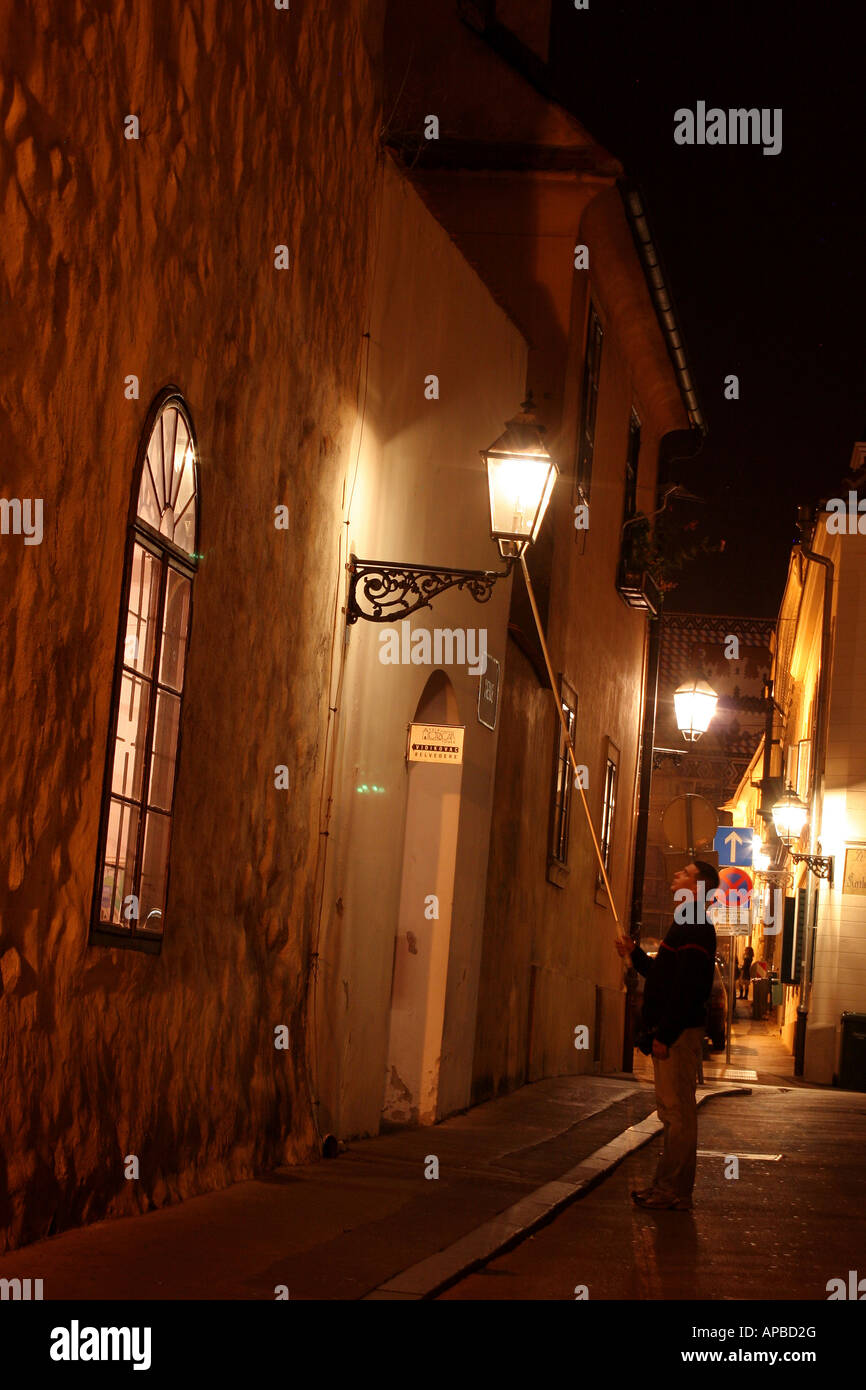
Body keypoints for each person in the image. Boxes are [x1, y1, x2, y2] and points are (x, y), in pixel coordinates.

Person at [616, 860, 719, 1211]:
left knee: (677, 1115)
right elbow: (664, 975)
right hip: (673, 1031)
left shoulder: (695, 924)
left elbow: (688, 987)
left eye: (685, 873)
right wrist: (635, 955)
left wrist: (667, 1032)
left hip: (678, 1034)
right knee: (671, 1113)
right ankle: (667, 1187)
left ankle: (673, 1190)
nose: (676, 874)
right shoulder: (687, 922)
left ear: (697, 888)